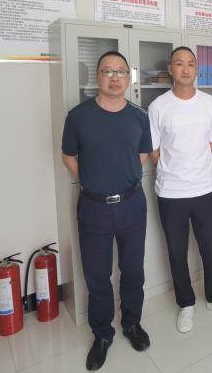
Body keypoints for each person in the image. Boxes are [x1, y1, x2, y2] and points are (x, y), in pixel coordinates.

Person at [61, 51, 151, 371]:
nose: (115, 78)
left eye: (120, 72)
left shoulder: (139, 116)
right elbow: (68, 156)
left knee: (133, 270)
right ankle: (102, 334)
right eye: (108, 71)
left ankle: (132, 324)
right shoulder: (78, 116)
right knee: (97, 276)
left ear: (128, 77)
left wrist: (121, 179)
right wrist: (92, 181)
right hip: (94, 207)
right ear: (97, 76)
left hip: (131, 204)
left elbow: (142, 154)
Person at [148, 46, 212, 333]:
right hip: (170, 193)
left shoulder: (209, 103)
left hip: (204, 189)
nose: (185, 69)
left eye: (191, 64)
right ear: (170, 69)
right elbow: (154, 150)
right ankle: (186, 303)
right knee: (177, 253)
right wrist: (174, 169)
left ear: (197, 69)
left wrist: (192, 166)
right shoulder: (158, 106)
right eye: (179, 64)